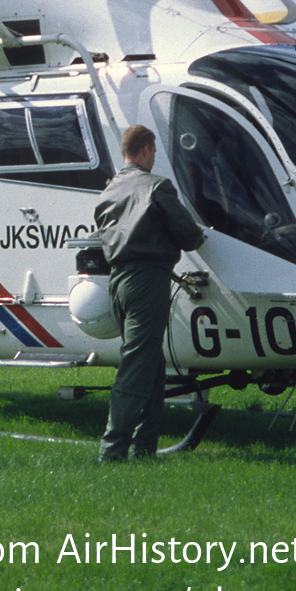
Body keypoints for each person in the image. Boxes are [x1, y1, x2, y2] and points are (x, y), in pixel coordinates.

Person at [93, 125, 206, 462]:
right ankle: (111, 452)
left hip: (118, 281)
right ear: (144, 150)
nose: (155, 158)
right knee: (137, 365)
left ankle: (145, 449)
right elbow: (189, 236)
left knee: (152, 364)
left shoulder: (109, 189)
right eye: (154, 152)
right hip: (147, 282)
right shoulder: (157, 187)